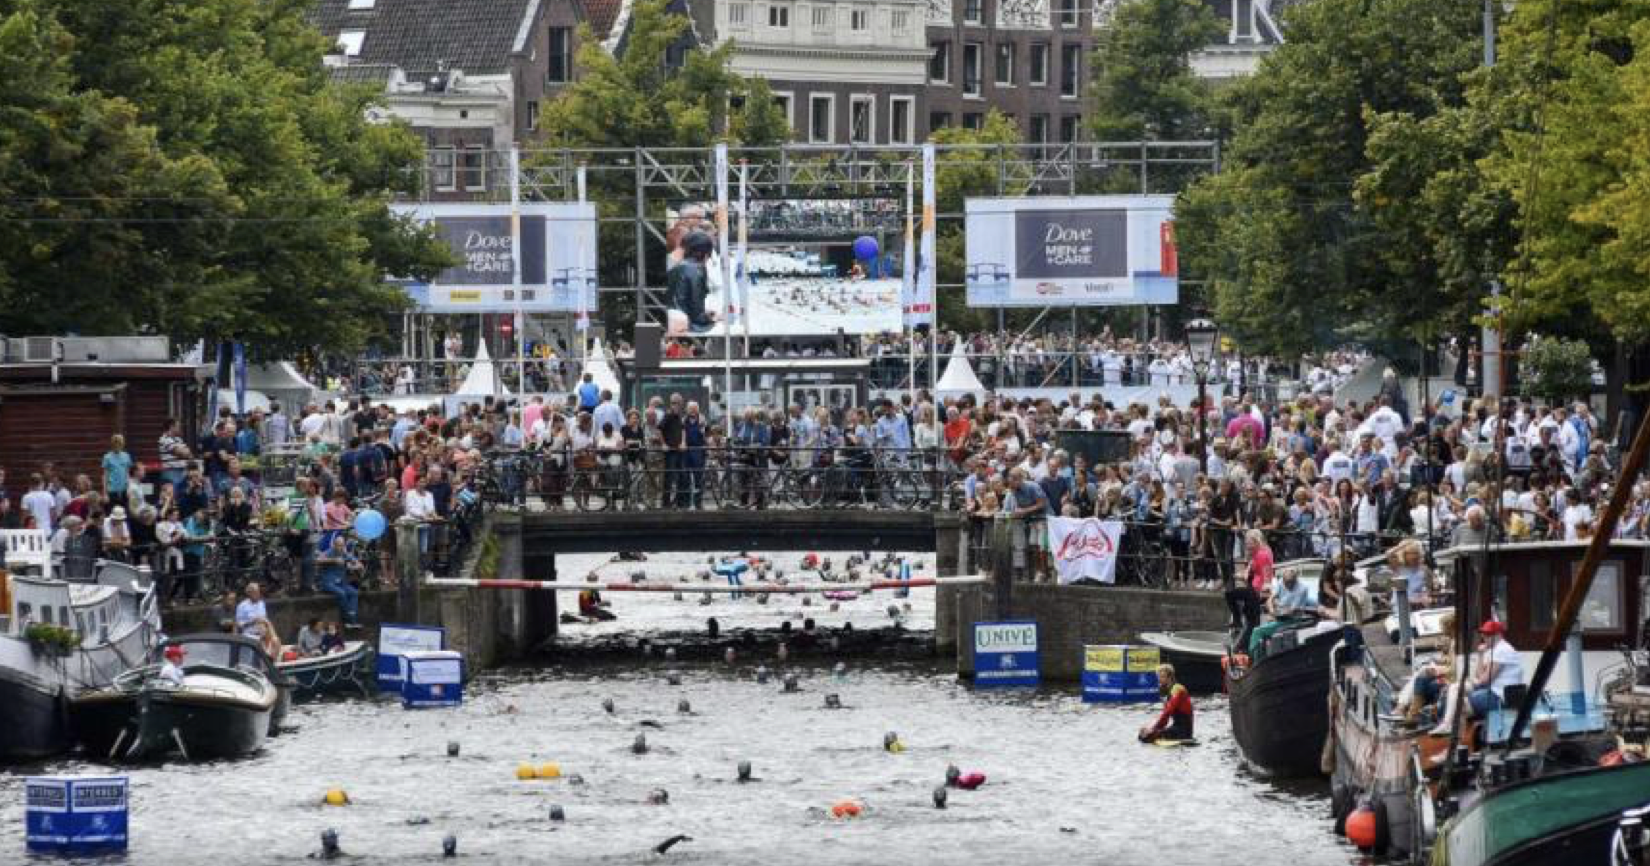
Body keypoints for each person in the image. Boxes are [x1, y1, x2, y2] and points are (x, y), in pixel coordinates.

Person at [1467, 620, 1524, 719]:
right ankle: (1449, 725)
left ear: (1498, 635)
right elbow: (1479, 675)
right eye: (1483, 634)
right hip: (1497, 693)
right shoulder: (1496, 650)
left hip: (1501, 698)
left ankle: (1456, 728)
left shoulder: (1502, 650)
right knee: (1456, 690)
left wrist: (1476, 682)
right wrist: (1481, 655)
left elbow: (1484, 680)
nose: (1484, 637)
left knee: (1463, 701)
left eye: (1488, 634)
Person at [1227, 530, 1271, 653]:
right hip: (1253, 587)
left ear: (1256, 541)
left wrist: (1265, 589)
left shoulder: (1263, 554)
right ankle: (1245, 644)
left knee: (1230, 594)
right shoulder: (1257, 554)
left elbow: (1267, 573)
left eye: (1249, 542)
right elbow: (1251, 571)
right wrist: (1242, 574)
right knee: (1251, 619)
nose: (1247, 545)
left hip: (1257, 590)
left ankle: (1237, 621)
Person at [667, 231, 716, 333]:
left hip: (676, 319)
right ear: (705, 254)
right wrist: (712, 318)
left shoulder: (678, 267)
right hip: (686, 325)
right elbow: (697, 314)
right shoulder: (697, 269)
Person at [1138, 664, 1194, 743]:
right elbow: (1165, 718)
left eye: (1162, 677)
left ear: (1170, 677)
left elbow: (1167, 713)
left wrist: (1153, 730)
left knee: (1146, 737)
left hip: (1184, 731)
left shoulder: (1177, 689)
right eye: (1159, 677)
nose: (1159, 680)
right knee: (1142, 733)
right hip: (1176, 728)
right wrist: (1154, 729)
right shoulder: (1168, 692)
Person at [235, 582, 282, 659]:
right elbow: (239, 625)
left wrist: (273, 635)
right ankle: (266, 659)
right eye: (256, 592)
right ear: (249, 593)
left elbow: (265, 620)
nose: (259, 593)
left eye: (259, 591)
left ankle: (271, 662)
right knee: (259, 644)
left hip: (263, 633)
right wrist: (252, 621)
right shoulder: (242, 606)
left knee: (277, 642)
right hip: (249, 634)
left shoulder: (261, 603)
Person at [102, 435, 134, 511]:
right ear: (113, 444)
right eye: (116, 443)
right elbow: (105, 476)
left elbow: (128, 474)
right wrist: (105, 493)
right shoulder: (107, 457)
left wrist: (129, 488)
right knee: (112, 511)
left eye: (120, 443)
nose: (118, 445)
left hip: (124, 490)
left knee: (125, 511)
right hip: (112, 490)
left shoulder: (126, 456)